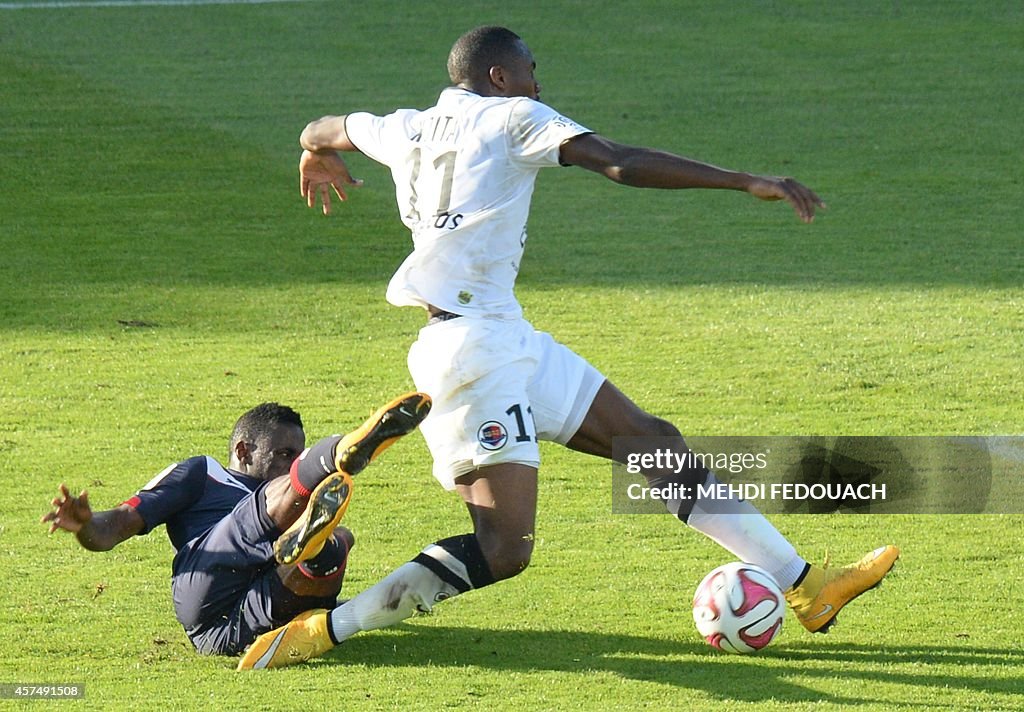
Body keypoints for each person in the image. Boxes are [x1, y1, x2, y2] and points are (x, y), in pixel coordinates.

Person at [237, 26, 899, 670]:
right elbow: (618, 161)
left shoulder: (407, 125)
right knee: (505, 551)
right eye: (530, 69)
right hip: (473, 360)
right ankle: (323, 629)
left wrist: (312, 152)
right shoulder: (512, 116)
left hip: (504, 336)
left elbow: (323, 128)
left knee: (649, 438)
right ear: (500, 77)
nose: (538, 81)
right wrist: (740, 179)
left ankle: (806, 586)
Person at [43, 393, 431, 656]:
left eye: (298, 456)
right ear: (244, 451)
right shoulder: (203, 473)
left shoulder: (295, 503)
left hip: (257, 617)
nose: (289, 462)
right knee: (262, 514)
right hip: (210, 593)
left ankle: (310, 544)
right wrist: (85, 524)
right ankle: (337, 454)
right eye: (284, 454)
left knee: (333, 547)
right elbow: (114, 529)